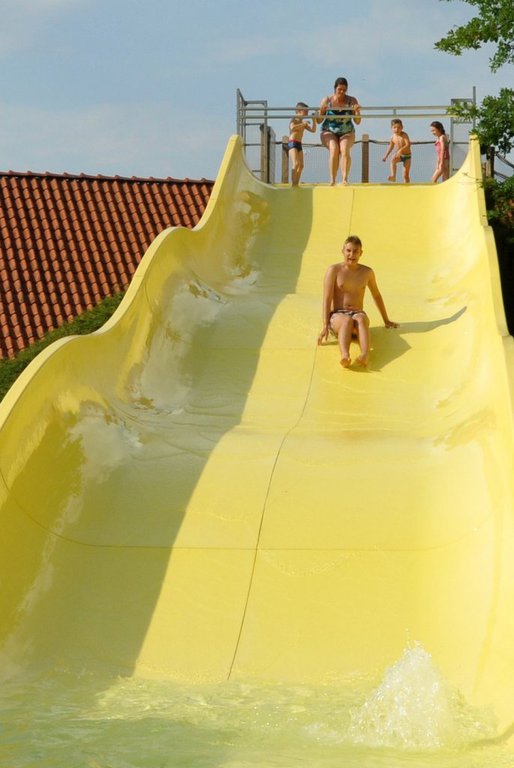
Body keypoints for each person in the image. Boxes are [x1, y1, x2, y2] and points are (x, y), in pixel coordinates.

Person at [317, 235, 398, 368]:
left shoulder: (367, 272)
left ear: (361, 253)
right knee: (346, 320)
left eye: (355, 251)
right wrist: (325, 326)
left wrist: (386, 320)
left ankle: (365, 355)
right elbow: (327, 298)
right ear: (342, 251)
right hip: (338, 316)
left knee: (361, 319)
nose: (352, 254)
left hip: (358, 313)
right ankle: (345, 355)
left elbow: (376, 295)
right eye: (348, 250)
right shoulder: (334, 270)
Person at [317, 77, 361, 185]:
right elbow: (318, 121)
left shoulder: (352, 100)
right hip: (329, 130)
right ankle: (332, 179)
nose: (342, 92)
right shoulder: (327, 100)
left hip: (347, 131)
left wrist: (357, 112)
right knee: (334, 148)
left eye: (344, 90)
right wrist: (321, 111)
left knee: (344, 149)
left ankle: (345, 179)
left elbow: (358, 121)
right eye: (339, 89)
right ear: (335, 88)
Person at [288, 102, 316, 186]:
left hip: (299, 143)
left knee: (301, 165)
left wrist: (314, 120)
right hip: (292, 142)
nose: (307, 112)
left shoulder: (303, 122)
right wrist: (303, 124)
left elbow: (313, 130)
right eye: (305, 110)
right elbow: (292, 127)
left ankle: (296, 182)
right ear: (300, 111)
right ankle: (293, 183)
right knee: (296, 163)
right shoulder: (294, 119)